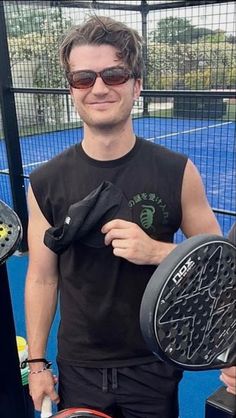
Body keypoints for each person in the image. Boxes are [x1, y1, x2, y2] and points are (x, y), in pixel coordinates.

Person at [24, 15, 235, 418]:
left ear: (136, 84)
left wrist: (160, 252)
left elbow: (221, 268)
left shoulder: (178, 171)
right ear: (71, 89)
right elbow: (41, 276)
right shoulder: (45, 181)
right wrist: (36, 364)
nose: (99, 88)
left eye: (114, 74)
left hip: (153, 361)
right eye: (83, 78)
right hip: (80, 363)